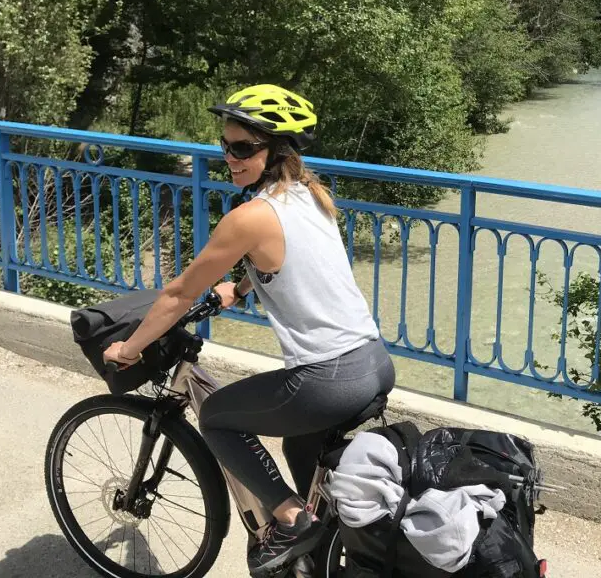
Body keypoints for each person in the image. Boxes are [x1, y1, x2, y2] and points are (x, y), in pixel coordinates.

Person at [102, 84, 396, 576]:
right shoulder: (309, 195)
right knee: (302, 449)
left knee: (216, 416)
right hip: (373, 363)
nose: (229, 157)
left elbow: (176, 295)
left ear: (276, 151)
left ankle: (290, 520)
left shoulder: (249, 217)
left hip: (327, 379)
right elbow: (294, 262)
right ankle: (323, 554)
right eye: (225, 145)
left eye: (243, 148)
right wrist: (239, 289)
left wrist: (130, 348)